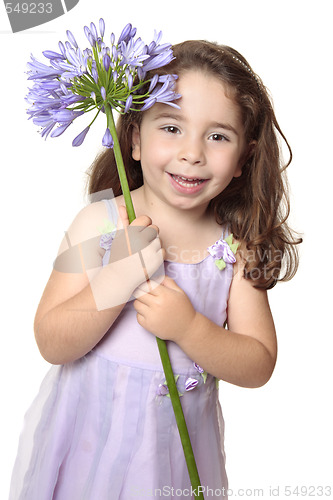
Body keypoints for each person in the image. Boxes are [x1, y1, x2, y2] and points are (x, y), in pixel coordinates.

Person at [9, 40, 301, 499]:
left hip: (175, 463)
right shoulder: (98, 223)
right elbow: (51, 340)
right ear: (135, 139)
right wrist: (115, 280)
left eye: (218, 136)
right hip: (91, 446)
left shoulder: (235, 249)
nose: (192, 153)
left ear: (244, 158)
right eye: (171, 127)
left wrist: (190, 329)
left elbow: (258, 363)